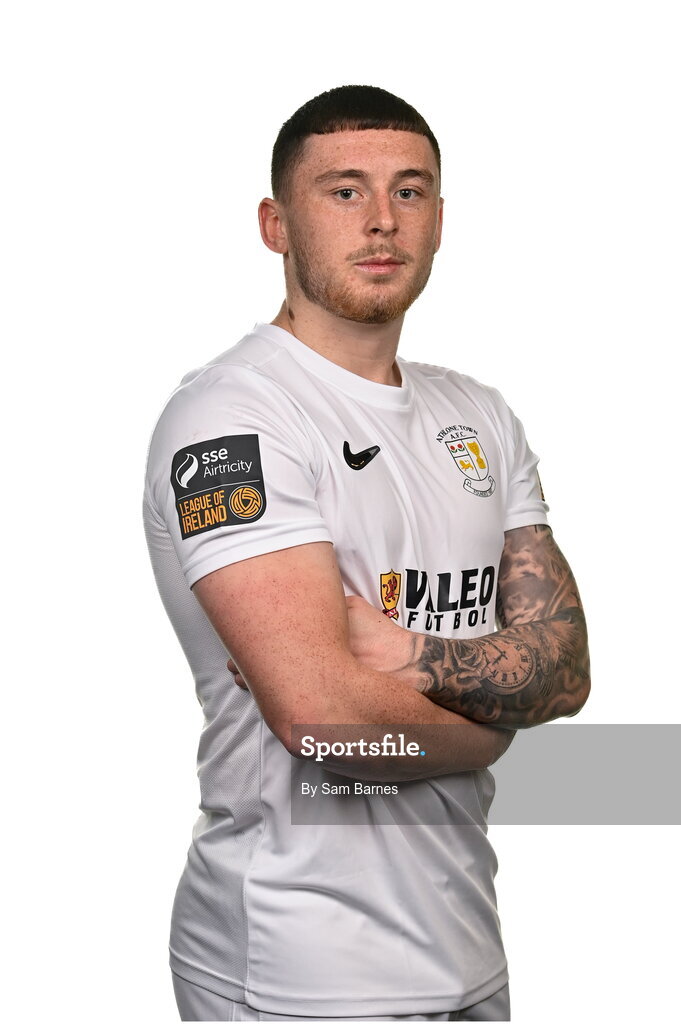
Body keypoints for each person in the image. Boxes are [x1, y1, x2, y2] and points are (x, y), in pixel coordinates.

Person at [143, 85, 590, 1022]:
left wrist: (406, 653)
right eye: (343, 191)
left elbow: (566, 665)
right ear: (275, 224)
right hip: (296, 964)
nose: (382, 219)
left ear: (439, 220)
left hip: (467, 947)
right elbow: (327, 722)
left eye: (409, 191)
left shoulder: (479, 414)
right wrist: (490, 733)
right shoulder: (232, 417)